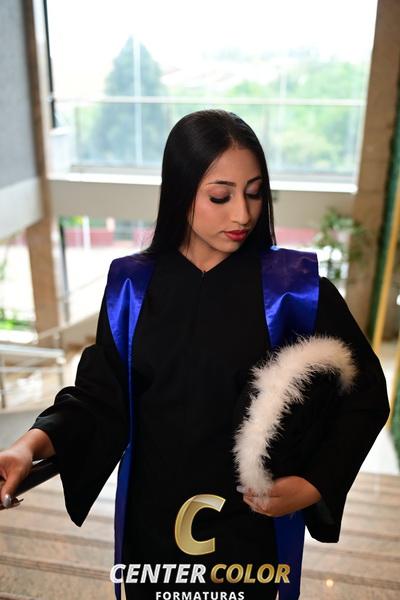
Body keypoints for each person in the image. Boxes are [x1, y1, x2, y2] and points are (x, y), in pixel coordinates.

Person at [0, 109, 390, 600]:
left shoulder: (295, 292)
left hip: (249, 528)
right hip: (153, 522)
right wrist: (28, 447)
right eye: (220, 196)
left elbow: (365, 397)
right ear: (181, 192)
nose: (242, 214)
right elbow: (100, 397)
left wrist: (314, 484)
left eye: (254, 193)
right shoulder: (131, 288)